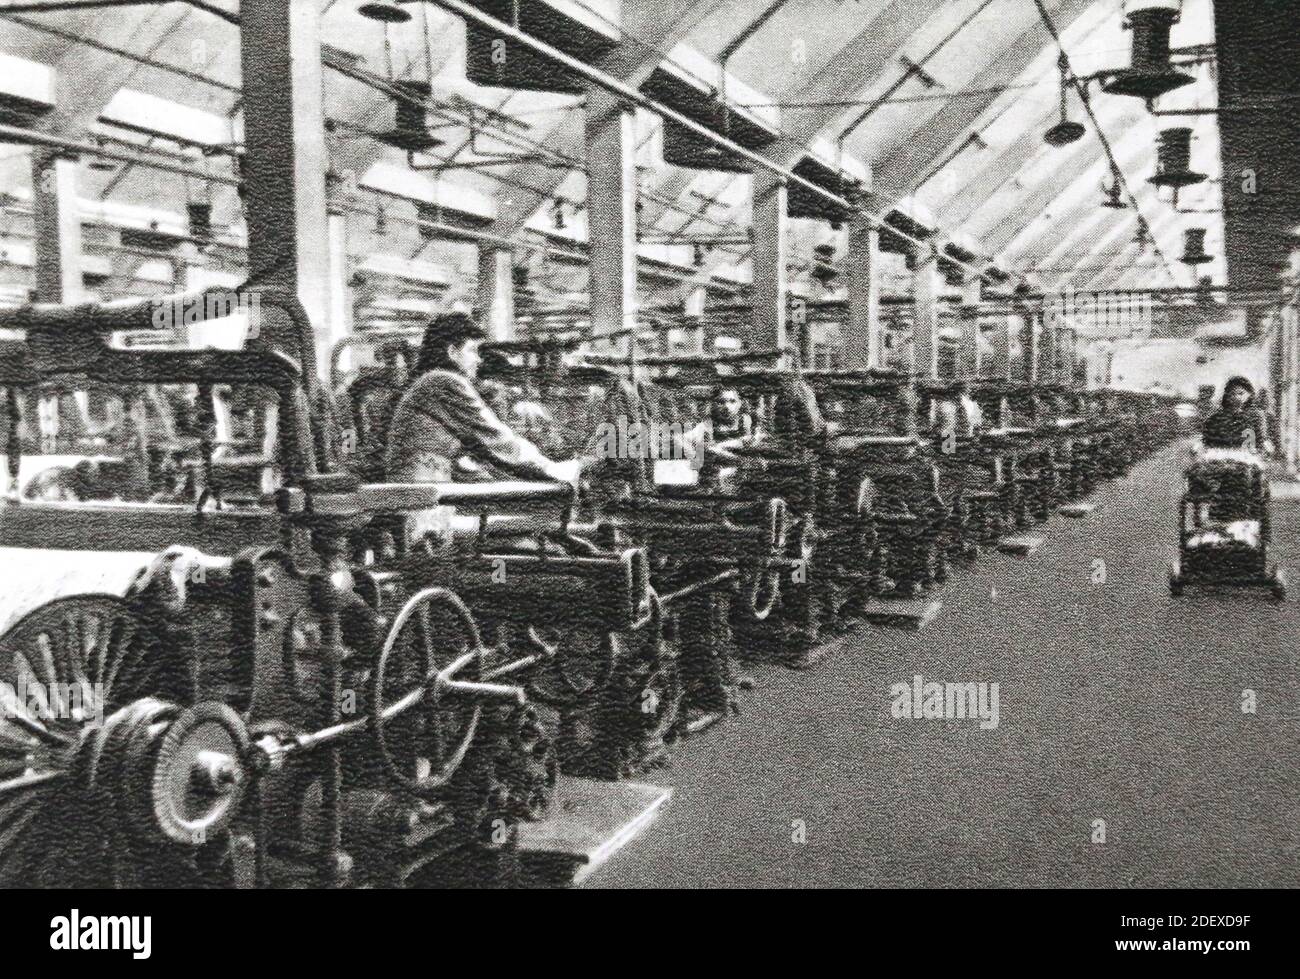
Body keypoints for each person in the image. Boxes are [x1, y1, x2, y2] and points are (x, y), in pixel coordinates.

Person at [384, 313, 581, 486]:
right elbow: (496, 436)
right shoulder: (445, 381)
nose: (479, 360)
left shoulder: (430, 380)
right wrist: (552, 468)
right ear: (452, 352)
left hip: (423, 479)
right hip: (422, 485)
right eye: (472, 350)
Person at [681, 384, 761, 490]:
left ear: (740, 403)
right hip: (721, 466)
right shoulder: (709, 424)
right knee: (710, 452)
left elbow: (749, 440)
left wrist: (722, 445)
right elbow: (685, 439)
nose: (727, 407)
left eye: (732, 401)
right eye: (721, 402)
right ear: (714, 404)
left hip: (742, 468)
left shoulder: (745, 420)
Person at [1202, 376, 1270, 454]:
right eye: (1232, 394)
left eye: (1241, 393)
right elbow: (1207, 442)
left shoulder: (1257, 416)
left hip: (1248, 458)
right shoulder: (1216, 417)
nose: (1236, 397)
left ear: (1250, 394)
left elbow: (1261, 441)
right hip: (1221, 457)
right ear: (1227, 395)